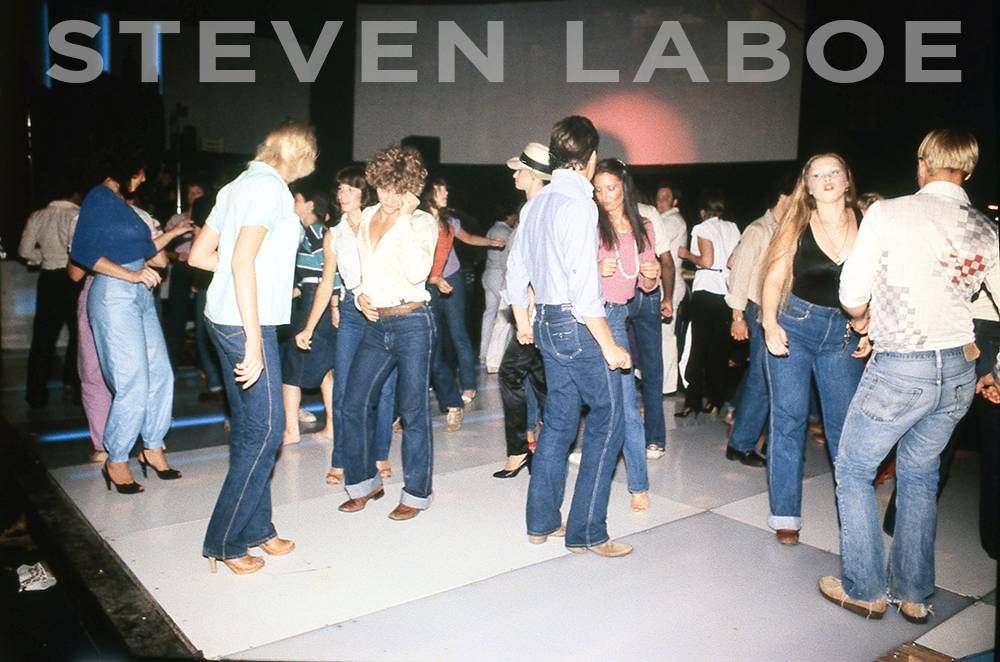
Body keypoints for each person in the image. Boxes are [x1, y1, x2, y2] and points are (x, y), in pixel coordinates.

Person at [821, 129, 999, 622]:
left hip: (903, 366)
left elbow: (852, 289)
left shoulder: (889, 213)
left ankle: (864, 587)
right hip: (959, 372)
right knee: (920, 477)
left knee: (855, 470)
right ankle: (915, 594)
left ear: (923, 163)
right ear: (968, 169)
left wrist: (862, 321)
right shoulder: (985, 229)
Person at [189, 120, 318, 574]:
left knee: (251, 428)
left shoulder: (235, 186)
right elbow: (242, 260)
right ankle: (224, 540)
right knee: (266, 431)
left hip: (221, 316)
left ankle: (257, 528)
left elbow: (200, 256)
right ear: (298, 156)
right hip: (247, 322)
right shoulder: (273, 191)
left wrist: (246, 278)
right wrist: (253, 339)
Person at [506, 115, 633, 557]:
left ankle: (541, 523)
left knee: (559, 421)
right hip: (574, 325)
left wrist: (523, 320)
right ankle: (588, 531)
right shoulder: (579, 204)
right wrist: (610, 345)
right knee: (610, 416)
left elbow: (515, 271)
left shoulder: (535, 204)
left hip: (543, 322)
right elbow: (584, 288)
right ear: (590, 157)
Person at [760, 153, 868, 546]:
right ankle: (786, 516)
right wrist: (769, 322)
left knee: (844, 431)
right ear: (807, 185)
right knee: (788, 421)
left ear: (846, 179)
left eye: (833, 172)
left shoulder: (868, 223)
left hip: (843, 335)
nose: (825, 179)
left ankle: (854, 522)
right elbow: (773, 278)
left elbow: (880, 282)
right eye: (816, 174)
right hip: (795, 327)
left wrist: (871, 324)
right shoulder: (798, 224)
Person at [336, 144, 438, 522]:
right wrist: (361, 293)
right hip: (375, 323)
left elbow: (415, 271)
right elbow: (365, 268)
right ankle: (364, 483)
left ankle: (416, 492)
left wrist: (407, 220)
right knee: (352, 402)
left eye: (398, 190)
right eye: (383, 188)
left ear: (410, 189)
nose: (389, 197)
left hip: (412, 322)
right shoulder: (365, 218)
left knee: (413, 411)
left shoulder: (423, 222)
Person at [69, 157, 180, 494]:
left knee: (161, 373)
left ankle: (153, 447)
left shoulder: (121, 205)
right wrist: (131, 274)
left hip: (140, 294)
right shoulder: (98, 198)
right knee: (133, 380)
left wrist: (174, 234)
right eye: (139, 170)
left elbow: (148, 250)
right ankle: (116, 459)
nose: (144, 177)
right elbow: (83, 253)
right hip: (114, 292)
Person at [303, 167, 397, 485]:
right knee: (343, 387)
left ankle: (380, 453)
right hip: (352, 311)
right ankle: (340, 458)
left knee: (385, 388)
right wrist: (308, 327)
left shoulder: (379, 220)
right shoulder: (335, 233)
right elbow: (327, 281)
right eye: (340, 189)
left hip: (385, 308)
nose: (343, 195)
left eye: (350, 189)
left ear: (363, 193)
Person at [594, 158, 660, 511]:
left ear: (623, 185)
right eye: (599, 189)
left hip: (616, 316)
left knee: (626, 407)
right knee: (569, 404)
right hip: (583, 317)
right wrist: (594, 267)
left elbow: (647, 285)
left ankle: (638, 485)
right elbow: (566, 271)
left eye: (611, 188)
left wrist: (651, 275)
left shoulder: (643, 226)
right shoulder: (589, 222)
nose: (605, 196)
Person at [723, 174, 795, 467]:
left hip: (781, 311)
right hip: (757, 310)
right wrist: (737, 315)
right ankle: (740, 444)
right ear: (783, 196)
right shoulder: (759, 229)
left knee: (767, 380)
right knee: (761, 380)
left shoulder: (786, 230)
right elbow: (737, 270)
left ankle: (747, 441)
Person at [494, 142, 551, 478]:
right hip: (546, 310)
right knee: (543, 380)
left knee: (510, 374)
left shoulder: (533, 209)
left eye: (519, 170)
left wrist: (522, 316)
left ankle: (519, 452)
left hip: (535, 312)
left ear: (533, 175)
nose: (514, 174)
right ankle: (545, 450)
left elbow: (523, 268)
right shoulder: (543, 206)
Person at [423, 178, 504, 405]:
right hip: (426, 282)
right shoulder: (417, 221)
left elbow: (467, 238)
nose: (446, 193)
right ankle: (437, 381)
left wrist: (490, 242)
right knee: (433, 336)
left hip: (451, 279)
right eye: (441, 190)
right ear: (429, 193)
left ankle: (469, 385)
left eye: (446, 189)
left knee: (458, 332)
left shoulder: (449, 221)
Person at [281, 187, 336, 445]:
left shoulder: (315, 232)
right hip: (317, 298)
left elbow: (328, 274)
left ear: (309, 204)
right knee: (326, 368)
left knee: (291, 369)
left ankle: (291, 430)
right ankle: (332, 427)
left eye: (298, 199)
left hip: (315, 304)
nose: (294, 203)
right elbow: (312, 274)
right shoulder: (318, 233)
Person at [19, 188, 84, 408]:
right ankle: (75, 388)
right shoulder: (79, 214)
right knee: (79, 337)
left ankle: (36, 395)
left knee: (42, 339)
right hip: (74, 278)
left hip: (48, 280)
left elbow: (24, 250)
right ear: (75, 194)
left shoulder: (38, 215)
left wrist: (44, 257)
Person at [676, 197, 740, 417]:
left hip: (706, 292)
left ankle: (692, 402)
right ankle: (716, 400)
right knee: (719, 351)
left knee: (697, 348)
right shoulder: (732, 227)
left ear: (703, 212)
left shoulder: (702, 227)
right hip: (726, 292)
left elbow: (707, 261)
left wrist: (686, 254)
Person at [628, 192, 676, 460]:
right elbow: (666, 261)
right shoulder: (648, 212)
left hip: (633, 294)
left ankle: (626, 436)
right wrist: (667, 298)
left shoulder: (646, 214)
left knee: (619, 367)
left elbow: (666, 261)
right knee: (651, 367)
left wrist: (667, 297)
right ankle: (654, 439)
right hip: (645, 294)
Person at [162, 181, 204, 367]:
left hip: (203, 270)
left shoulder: (210, 218)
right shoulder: (176, 219)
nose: (193, 196)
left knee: (203, 317)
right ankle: (172, 360)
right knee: (176, 316)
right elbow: (159, 247)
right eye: (190, 193)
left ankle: (203, 364)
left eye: (197, 192)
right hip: (181, 268)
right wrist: (176, 255)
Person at [655, 184, 689, 397]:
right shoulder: (663, 220)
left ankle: (667, 385)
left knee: (666, 335)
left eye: (665, 197)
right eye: (658, 197)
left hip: (670, 283)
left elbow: (652, 244)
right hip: (664, 282)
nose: (660, 201)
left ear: (675, 202)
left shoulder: (672, 221)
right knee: (660, 334)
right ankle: (659, 380)